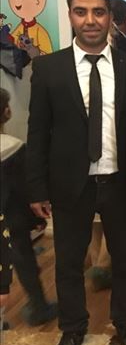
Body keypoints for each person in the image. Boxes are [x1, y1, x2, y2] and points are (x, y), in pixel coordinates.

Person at [26, 0, 126, 345]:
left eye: (98, 12)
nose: (90, 20)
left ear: (110, 17)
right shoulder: (48, 69)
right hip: (69, 184)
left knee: (125, 260)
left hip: (119, 181)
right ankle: (73, 329)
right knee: (68, 262)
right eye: (81, 11)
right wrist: (36, 187)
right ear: (71, 15)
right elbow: (37, 132)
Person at [0, 87, 57, 327]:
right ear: (7, 112)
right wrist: (38, 218)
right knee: (23, 260)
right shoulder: (15, 149)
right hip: (13, 221)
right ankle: (39, 306)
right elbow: (25, 190)